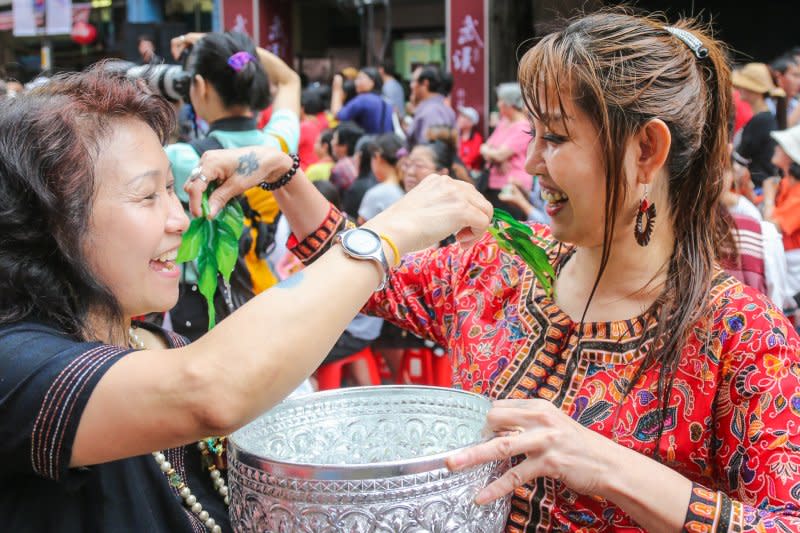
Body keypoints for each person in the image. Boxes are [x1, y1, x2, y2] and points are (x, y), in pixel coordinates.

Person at [265, 11, 800, 532]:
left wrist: (608, 467)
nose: (533, 163)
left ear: (646, 150)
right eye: (533, 135)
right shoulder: (503, 261)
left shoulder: (743, 336)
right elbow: (369, 279)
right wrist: (282, 174)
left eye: (557, 138)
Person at [0, 65, 492, 532]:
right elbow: (208, 390)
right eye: (148, 196)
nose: (179, 219)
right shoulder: (16, 363)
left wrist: (284, 173)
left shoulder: (155, 342)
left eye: (172, 190)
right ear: (52, 221)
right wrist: (386, 235)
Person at [165, 31, 300, 340]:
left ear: (199, 86)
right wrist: (222, 45)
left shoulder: (180, 159)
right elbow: (290, 79)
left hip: (203, 306)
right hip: (265, 290)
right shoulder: (277, 145)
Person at [763, 124, 800, 305]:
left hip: (792, 269)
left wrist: (769, 197)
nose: (776, 147)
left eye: (782, 146)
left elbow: (771, 225)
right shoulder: (785, 182)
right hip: (780, 258)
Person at [733, 63, 785, 188]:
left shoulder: (761, 119)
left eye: (743, 86)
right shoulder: (764, 117)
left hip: (757, 187)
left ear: (755, 91)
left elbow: (740, 160)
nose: (739, 89)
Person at [331, 67, 394, 135]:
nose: (356, 82)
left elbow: (337, 115)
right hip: (386, 142)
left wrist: (336, 88)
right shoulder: (386, 100)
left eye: (360, 78)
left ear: (372, 81)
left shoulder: (363, 99)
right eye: (356, 79)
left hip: (369, 143)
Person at [407, 65, 456, 147]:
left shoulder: (432, 112)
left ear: (425, 84)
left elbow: (433, 150)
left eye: (414, 81)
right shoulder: (433, 108)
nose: (411, 85)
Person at [456, 106, 484, 173]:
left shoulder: (477, 139)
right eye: (460, 116)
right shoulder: (457, 137)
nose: (460, 119)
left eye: (464, 117)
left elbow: (470, 159)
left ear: (471, 123)